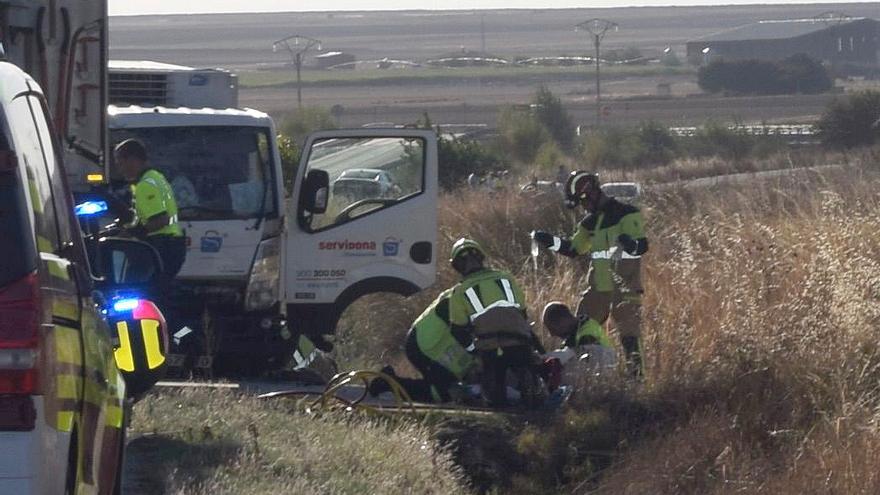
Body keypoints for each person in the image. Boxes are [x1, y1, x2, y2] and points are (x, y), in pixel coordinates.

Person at [532, 171, 648, 378]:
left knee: (630, 338)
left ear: (591, 193)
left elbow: (641, 246)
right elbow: (574, 249)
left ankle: (637, 381)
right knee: (579, 332)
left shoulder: (627, 213)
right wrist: (550, 241)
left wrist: (631, 244)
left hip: (625, 287)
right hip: (598, 288)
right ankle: (582, 379)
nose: (583, 207)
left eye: (582, 202)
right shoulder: (589, 223)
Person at [447, 238, 544, 407]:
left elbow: (457, 329)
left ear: (457, 266)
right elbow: (521, 312)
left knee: (495, 399)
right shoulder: (506, 278)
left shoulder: (459, 291)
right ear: (481, 258)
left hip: (489, 349)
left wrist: (473, 351)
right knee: (533, 392)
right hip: (519, 341)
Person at [368, 288, 477, 403]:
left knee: (457, 388)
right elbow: (459, 329)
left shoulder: (471, 293)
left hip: (433, 346)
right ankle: (388, 384)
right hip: (422, 346)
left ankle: (391, 382)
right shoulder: (460, 298)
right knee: (441, 394)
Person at [115, 138, 187, 283]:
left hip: (160, 247)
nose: (119, 169)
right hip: (171, 246)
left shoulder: (145, 185)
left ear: (133, 160)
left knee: (138, 290)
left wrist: (131, 233)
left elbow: (161, 219)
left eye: (120, 163)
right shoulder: (154, 177)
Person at [541, 301, 617, 378]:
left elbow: (565, 355)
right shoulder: (583, 325)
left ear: (563, 321)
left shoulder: (586, 336)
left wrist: (540, 358)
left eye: (553, 328)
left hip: (599, 378)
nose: (552, 334)